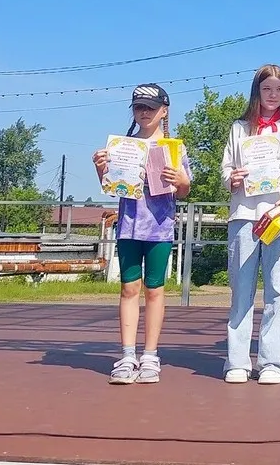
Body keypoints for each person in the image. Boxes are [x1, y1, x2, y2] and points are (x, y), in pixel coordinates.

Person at [92, 83, 192, 385]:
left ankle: (150, 354)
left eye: (150, 107)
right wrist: (101, 168)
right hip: (129, 225)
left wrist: (180, 179)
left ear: (164, 111)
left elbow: (184, 190)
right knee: (128, 288)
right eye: (139, 107)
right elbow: (112, 188)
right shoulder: (122, 146)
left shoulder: (174, 148)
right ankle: (127, 354)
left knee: (155, 289)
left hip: (160, 227)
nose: (144, 112)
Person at [221, 64, 280, 385]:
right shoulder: (239, 128)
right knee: (241, 290)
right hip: (244, 216)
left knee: (277, 290)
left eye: (279, 89)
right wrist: (232, 179)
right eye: (266, 89)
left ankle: (272, 361)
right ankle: (237, 361)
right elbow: (226, 169)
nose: (273, 95)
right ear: (256, 92)